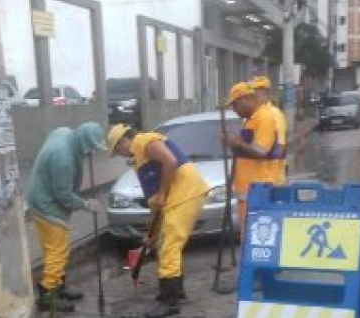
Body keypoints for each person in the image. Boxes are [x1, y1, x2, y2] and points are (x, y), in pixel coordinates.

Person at [108, 122, 210, 317]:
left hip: (185, 193)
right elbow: (155, 201)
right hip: (177, 197)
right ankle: (176, 291)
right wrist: (151, 233)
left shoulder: (143, 141)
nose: (120, 155)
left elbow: (170, 161)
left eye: (117, 150)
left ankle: (169, 302)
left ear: (123, 142)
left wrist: (163, 193)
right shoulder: (139, 160)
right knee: (166, 244)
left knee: (168, 247)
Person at [25, 122, 107, 313]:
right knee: (58, 251)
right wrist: (86, 204)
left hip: (39, 196)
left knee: (52, 249)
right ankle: (47, 295)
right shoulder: (63, 158)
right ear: (84, 143)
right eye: (91, 148)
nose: (92, 153)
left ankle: (59, 287)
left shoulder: (65, 133)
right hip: (47, 204)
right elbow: (62, 194)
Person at [221, 81, 287, 233]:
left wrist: (237, 142)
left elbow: (260, 151)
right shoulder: (252, 119)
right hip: (249, 191)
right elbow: (245, 151)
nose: (234, 110)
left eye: (235, 105)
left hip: (258, 190)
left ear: (246, 99)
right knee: (247, 236)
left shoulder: (264, 117)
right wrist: (232, 143)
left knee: (254, 236)